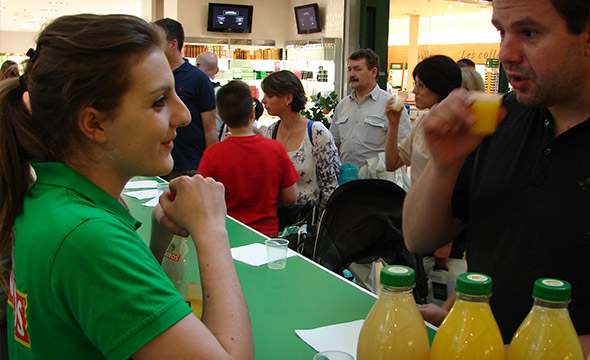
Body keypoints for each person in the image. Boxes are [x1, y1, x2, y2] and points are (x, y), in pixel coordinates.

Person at [0, 14, 253, 359]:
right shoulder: (87, 236)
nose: (184, 116)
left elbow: (117, 308)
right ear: (94, 124)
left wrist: (159, 236)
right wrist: (211, 230)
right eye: (159, 101)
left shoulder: (50, 198)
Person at [402, 0, 590, 354]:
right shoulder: (500, 117)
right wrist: (444, 164)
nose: (505, 53)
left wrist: (511, 351)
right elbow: (418, 237)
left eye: (529, 33)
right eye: (502, 32)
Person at [197, 80, 299, 236]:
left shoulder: (213, 154)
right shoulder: (275, 149)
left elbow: (202, 199)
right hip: (266, 235)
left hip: (227, 234)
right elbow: (291, 197)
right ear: (252, 113)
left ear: (223, 118)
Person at [262, 70, 340, 210]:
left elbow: (330, 186)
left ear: (288, 99)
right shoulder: (270, 132)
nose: (263, 100)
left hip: (308, 220)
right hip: (277, 218)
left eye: (270, 95)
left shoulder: (316, 133)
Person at [154, 18, 217, 179]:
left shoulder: (197, 79)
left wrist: (214, 168)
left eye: (156, 41)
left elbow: (209, 127)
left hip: (189, 166)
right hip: (157, 163)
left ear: (172, 44)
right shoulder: (152, 76)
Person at [330, 48, 411, 170]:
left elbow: (404, 149)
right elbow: (335, 143)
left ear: (373, 72)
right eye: (349, 69)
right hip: (347, 180)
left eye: (357, 69)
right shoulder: (343, 105)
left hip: (377, 182)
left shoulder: (391, 105)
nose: (351, 74)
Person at [196, 51, 227, 141]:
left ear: (197, 66)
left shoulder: (194, 89)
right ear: (217, 70)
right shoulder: (223, 93)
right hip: (218, 143)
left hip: (195, 145)